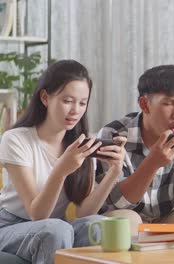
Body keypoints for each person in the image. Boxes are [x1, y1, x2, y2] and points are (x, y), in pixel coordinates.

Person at [0, 60, 128, 264]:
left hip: (58, 226)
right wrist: (61, 170)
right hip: (9, 226)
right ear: (45, 98)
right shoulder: (16, 139)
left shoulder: (82, 145)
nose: (75, 110)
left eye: (82, 103)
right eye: (67, 101)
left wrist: (113, 173)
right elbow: (38, 214)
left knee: (97, 224)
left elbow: (84, 212)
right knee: (56, 229)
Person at [95, 65, 174, 228]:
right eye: (168, 103)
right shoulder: (113, 134)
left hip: (166, 218)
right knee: (127, 220)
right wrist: (152, 163)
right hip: (125, 216)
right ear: (144, 104)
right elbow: (119, 203)